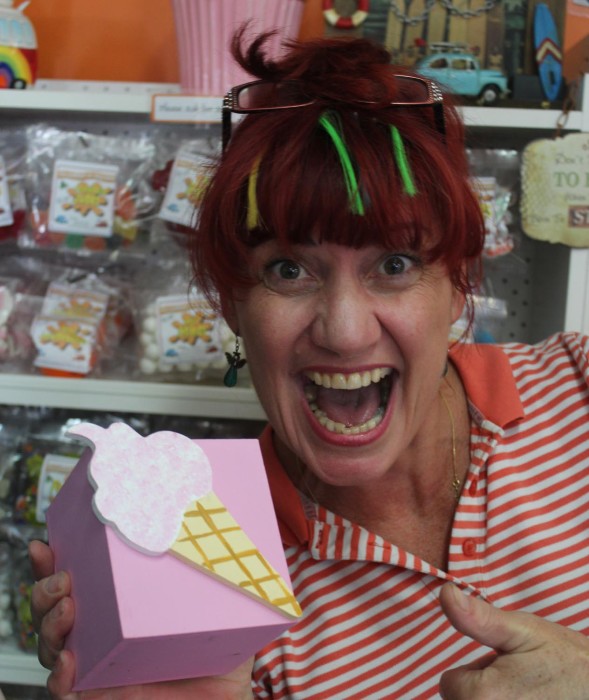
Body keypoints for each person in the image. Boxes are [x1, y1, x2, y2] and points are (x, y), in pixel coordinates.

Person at [30, 29, 589, 700]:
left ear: (457, 284)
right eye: (289, 270)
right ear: (232, 303)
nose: (345, 333)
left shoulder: (578, 385)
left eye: (394, 264)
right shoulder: (215, 570)